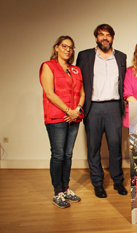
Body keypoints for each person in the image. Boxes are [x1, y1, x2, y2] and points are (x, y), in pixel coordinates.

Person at [76, 24, 127, 198]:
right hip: (93, 107)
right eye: (101, 35)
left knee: (115, 146)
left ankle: (118, 181)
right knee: (93, 147)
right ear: (96, 37)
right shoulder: (84, 56)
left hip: (114, 106)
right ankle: (97, 183)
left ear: (112, 38)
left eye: (108, 35)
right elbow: (78, 82)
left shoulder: (121, 57)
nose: (104, 38)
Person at [40, 36, 84, 208]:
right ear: (56, 47)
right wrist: (69, 111)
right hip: (57, 118)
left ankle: (66, 189)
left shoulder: (76, 70)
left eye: (71, 47)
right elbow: (50, 93)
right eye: (64, 46)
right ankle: (57, 192)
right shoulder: (48, 66)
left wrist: (77, 110)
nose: (67, 49)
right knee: (58, 155)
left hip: (74, 117)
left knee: (68, 155)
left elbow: (82, 93)